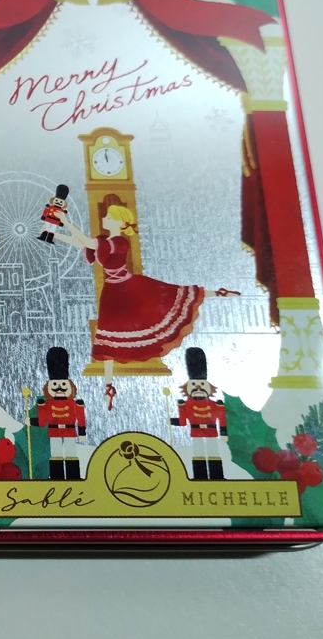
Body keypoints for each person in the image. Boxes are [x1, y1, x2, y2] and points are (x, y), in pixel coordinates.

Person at [48, 204, 237, 409]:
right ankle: (109, 386)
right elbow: (81, 243)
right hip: (112, 291)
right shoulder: (104, 240)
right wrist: (54, 235)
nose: (104, 219)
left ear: (119, 222)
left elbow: (86, 241)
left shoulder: (119, 242)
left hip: (128, 287)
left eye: (109, 217)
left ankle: (217, 292)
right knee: (107, 334)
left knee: (169, 294)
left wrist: (65, 221)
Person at [170, 348, 227, 479]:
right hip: (196, 432)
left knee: (213, 454)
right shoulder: (186, 404)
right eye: (194, 384)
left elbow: (222, 419)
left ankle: (217, 476)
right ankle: (200, 476)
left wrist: (224, 433)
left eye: (201, 384)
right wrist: (171, 420)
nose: (198, 387)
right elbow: (183, 422)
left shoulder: (215, 404)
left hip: (211, 432)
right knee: (198, 454)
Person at [30, 347, 87, 479]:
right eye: (55, 384)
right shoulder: (47, 404)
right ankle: (57, 477)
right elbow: (43, 421)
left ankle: (73, 476)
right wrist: (32, 420)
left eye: (63, 384)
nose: (59, 388)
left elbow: (80, 418)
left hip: (69, 431)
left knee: (71, 453)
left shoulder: (74, 403)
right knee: (56, 454)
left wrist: (82, 432)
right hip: (54, 431)